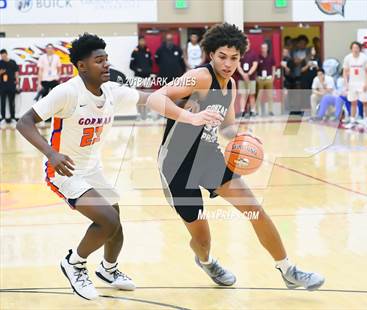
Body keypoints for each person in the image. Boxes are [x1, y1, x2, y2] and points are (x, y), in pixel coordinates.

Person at [16, 33, 222, 301]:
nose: (105, 65)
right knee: (107, 220)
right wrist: (51, 153)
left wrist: (190, 110)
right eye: (98, 60)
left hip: (92, 167)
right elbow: (24, 122)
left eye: (106, 59)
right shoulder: (67, 92)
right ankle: (74, 263)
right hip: (64, 169)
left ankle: (109, 270)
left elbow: (151, 99)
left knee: (115, 222)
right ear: (81, 66)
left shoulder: (112, 91)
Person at [148, 23, 325, 291]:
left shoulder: (229, 85)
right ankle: (206, 261)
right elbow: (154, 98)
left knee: (255, 210)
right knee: (203, 239)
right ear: (211, 55)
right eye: (222, 56)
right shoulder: (199, 76)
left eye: (234, 58)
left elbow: (227, 127)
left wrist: (244, 137)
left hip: (209, 157)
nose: (228, 63)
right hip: (177, 164)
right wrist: (191, 117)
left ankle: (288, 270)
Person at [343, 41, 367, 129]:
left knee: (365, 102)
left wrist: (366, 83)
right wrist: (346, 84)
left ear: (360, 49)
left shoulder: (365, 58)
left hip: (362, 83)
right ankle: (352, 121)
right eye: (354, 48)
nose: (355, 49)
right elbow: (345, 72)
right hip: (352, 83)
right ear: (351, 49)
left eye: (357, 48)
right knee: (353, 102)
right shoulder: (347, 58)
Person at [237, 38, 258, 117]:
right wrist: (243, 74)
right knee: (243, 95)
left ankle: (253, 111)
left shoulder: (253, 54)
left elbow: (255, 65)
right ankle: (242, 111)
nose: (246, 44)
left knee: (251, 94)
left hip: (251, 78)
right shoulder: (240, 53)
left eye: (247, 42)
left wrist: (248, 74)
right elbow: (237, 65)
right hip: (242, 78)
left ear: (249, 44)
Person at [0, 49, 19, 129]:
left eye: (4, 55)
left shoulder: (12, 62)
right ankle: (3, 118)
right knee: (3, 102)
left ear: (6, 54)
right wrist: (1, 72)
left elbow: (16, 72)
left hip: (11, 85)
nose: (3, 57)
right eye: (1, 56)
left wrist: (17, 81)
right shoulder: (0, 63)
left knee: (12, 102)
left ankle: (13, 118)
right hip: (2, 85)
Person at [256, 42, 276, 116]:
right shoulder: (258, 58)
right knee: (259, 96)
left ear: (267, 49)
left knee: (270, 96)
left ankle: (270, 111)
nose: (263, 49)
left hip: (268, 79)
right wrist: (256, 78)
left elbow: (273, 68)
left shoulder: (271, 57)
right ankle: (257, 111)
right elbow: (255, 68)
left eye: (265, 48)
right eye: (262, 48)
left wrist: (273, 77)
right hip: (260, 79)